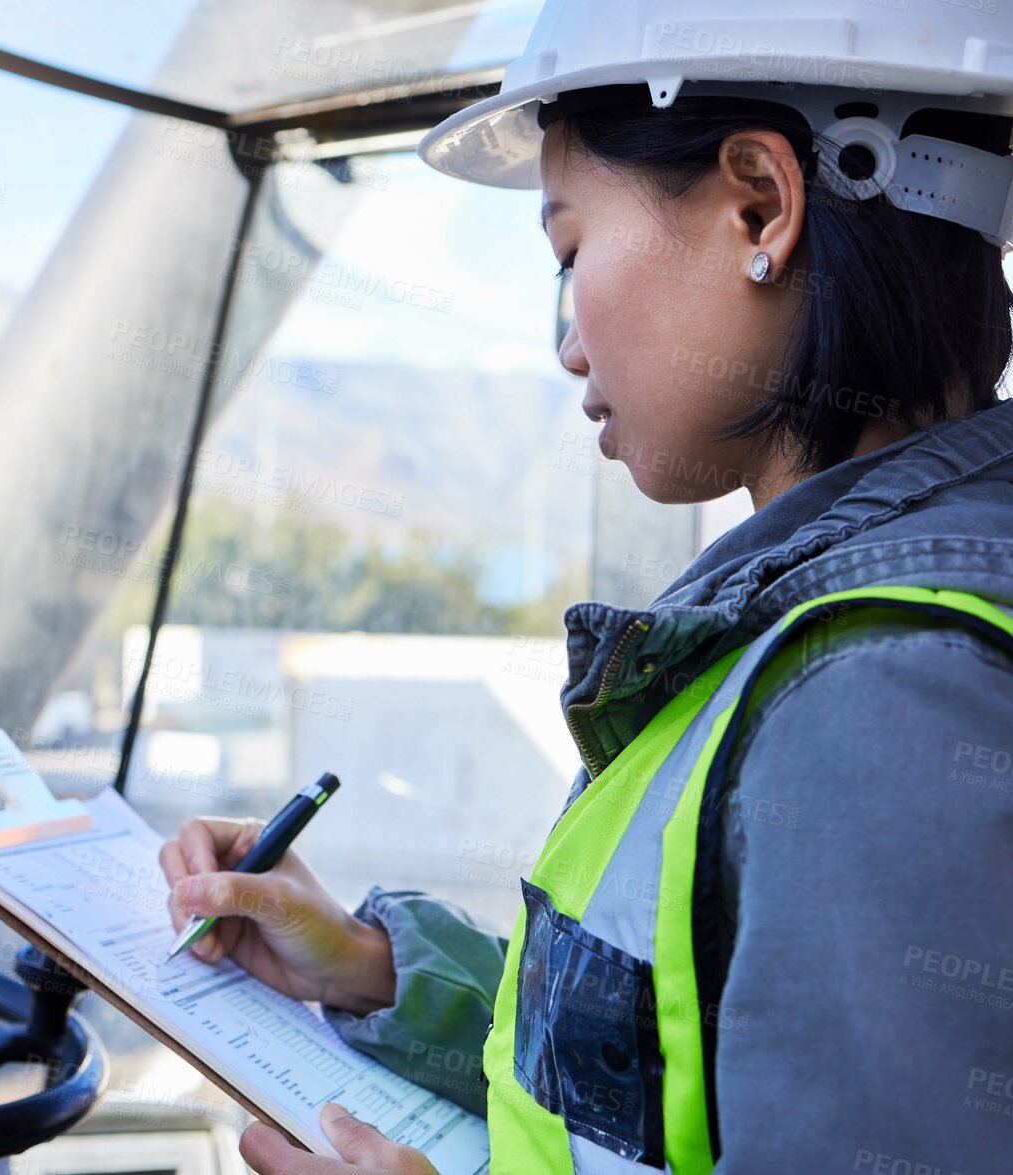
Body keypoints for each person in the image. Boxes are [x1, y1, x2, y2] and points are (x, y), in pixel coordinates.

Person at [159, 2, 1013, 1172]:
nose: (566, 343)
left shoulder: (888, 690)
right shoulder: (832, 628)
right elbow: (685, 1067)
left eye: (569, 254)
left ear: (758, 203)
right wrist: (379, 970)